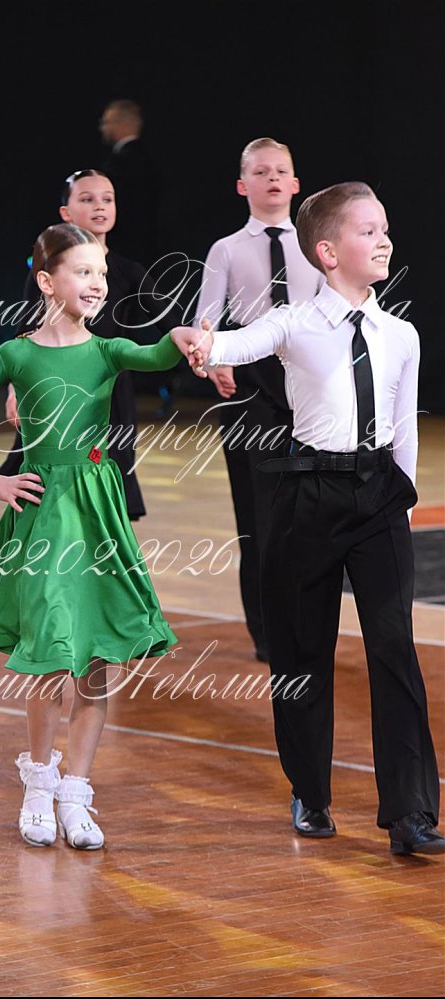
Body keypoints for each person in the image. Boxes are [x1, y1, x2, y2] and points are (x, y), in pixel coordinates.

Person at [173, 182, 444, 856]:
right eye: (367, 230)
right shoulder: (293, 322)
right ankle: (310, 791)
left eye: (385, 228)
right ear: (327, 251)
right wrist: (200, 343)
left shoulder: (400, 334)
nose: (384, 240)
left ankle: (410, 812)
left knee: (394, 649)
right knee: (301, 650)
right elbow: (234, 345)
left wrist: (403, 499)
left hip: (379, 496)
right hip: (308, 495)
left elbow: (405, 424)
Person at [0, 223, 198, 851]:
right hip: (45, 516)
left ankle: (76, 791)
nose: (97, 283)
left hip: (99, 514)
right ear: (47, 281)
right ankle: (38, 784)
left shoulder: (107, 350)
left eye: (101, 273)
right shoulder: (17, 355)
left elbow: (156, 355)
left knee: (97, 657)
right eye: (84, 271)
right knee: (52, 652)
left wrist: (179, 338)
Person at [195, 137, 322, 662]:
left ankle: (310, 623)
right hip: (250, 382)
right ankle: (268, 633)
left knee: (312, 510)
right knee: (259, 516)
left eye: (280, 170)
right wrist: (215, 358)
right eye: (261, 171)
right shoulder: (226, 249)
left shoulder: (317, 244)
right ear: (242, 185)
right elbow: (206, 319)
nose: (272, 178)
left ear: (295, 183)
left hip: (309, 379)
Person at [0, 168, 183, 521]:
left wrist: (204, 349)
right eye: (87, 199)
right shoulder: (48, 270)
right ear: (66, 212)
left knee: (108, 490)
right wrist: (14, 390)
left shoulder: (128, 271)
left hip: (108, 395)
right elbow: (26, 329)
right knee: (47, 495)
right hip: (53, 390)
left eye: (107, 199)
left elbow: (172, 323)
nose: (99, 206)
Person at [99, 100, 159, 265]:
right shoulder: (150, 161)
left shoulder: (120, 164)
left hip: (123, 252)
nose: (102, 128)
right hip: (149, 251)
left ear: (121, 124)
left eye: (106, 122)